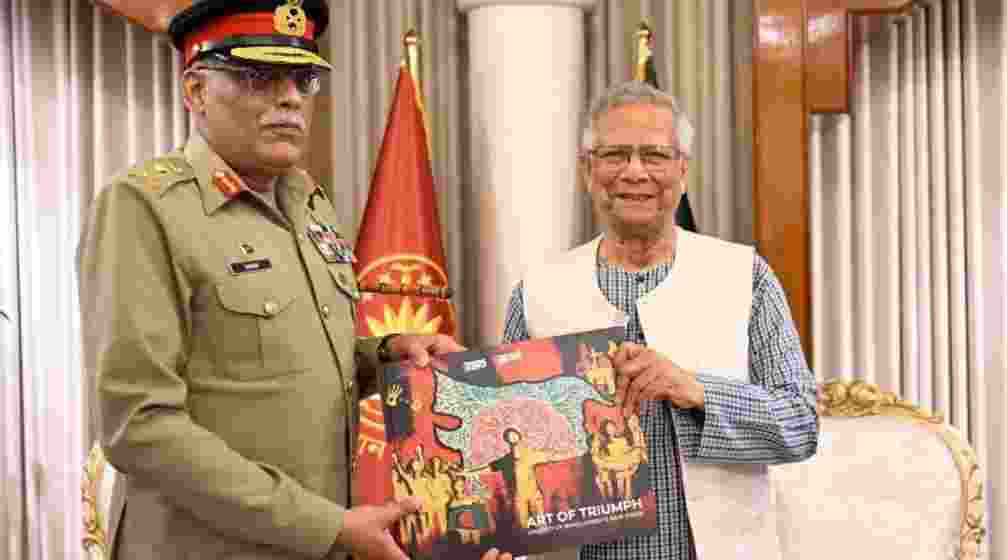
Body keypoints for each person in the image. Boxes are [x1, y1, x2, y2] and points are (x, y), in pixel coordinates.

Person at [77, 2, 512, 559]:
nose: (290, 98)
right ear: (196, 91)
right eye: (259, 77)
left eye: (303, 79)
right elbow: (138, 425)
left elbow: (287, 359)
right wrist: (327, 526)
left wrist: (387, 353)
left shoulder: (307, 202)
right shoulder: (145, 207)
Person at [502, 80, 819, 559]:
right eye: (614, 155)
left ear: (682, 170)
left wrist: (695, 390)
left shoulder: (744, 276)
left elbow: (800, 424)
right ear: (587, 170)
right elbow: (514, 444)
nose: (634, 172)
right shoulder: (537, 291)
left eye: (654, 155)